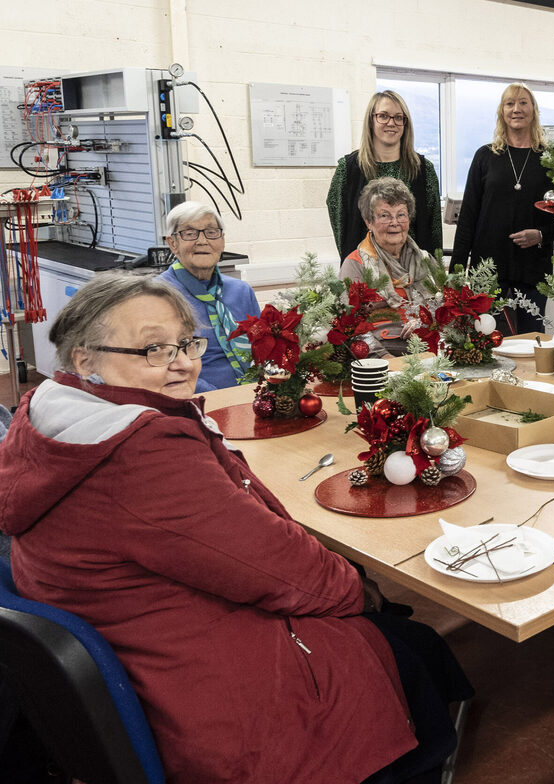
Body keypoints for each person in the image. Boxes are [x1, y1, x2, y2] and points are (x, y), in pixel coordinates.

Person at [0, 273, 472, 784]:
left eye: (185, 342)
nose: (181, 362)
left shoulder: (52, 418)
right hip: (217, 701)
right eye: (152, 349)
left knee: (393, 625)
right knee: (407, 642)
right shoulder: (139, 454)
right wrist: (357, 588)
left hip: (148, 649)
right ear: (83, 360)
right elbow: (286, 573)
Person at [451, 83, 554, 334]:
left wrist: (542, 234)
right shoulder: (485, 156)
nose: (516, 109)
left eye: (523, 102)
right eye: (509, 103)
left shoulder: (551, 160)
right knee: (487, 339)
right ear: (501, 112)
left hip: (533, 267)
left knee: (531, 339)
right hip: (488, 268)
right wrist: (456, 272)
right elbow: (468, 216)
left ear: (534, 110)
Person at [157, 201, 260, 393]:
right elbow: (163, 368)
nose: (202, 241)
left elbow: (262, 349)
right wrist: (219, 397)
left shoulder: (241, 291)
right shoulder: (157, 297)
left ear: (222, 240)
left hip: (256, 394)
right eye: (190, 233)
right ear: (172, 243)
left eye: (211, 232)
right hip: (197, 400)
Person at [328, 91, 442, 259]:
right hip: (365, 273)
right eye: (383, 116)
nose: (391, 123)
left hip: (414, 272)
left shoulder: (423, 170)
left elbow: (434, 230)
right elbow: (340, 226)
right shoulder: (348, 169)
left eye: (398, 117)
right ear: (371, 121)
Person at [339, 177, 434, 330]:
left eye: (401, 215)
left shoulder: (423, 259)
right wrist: (383, 355)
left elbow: (442, 307)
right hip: (383, 346)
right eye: (385, 215)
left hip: (425, 340)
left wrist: (423, 324)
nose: (395, 222)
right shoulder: (355, 264)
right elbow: (349, 323)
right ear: (369, 222)